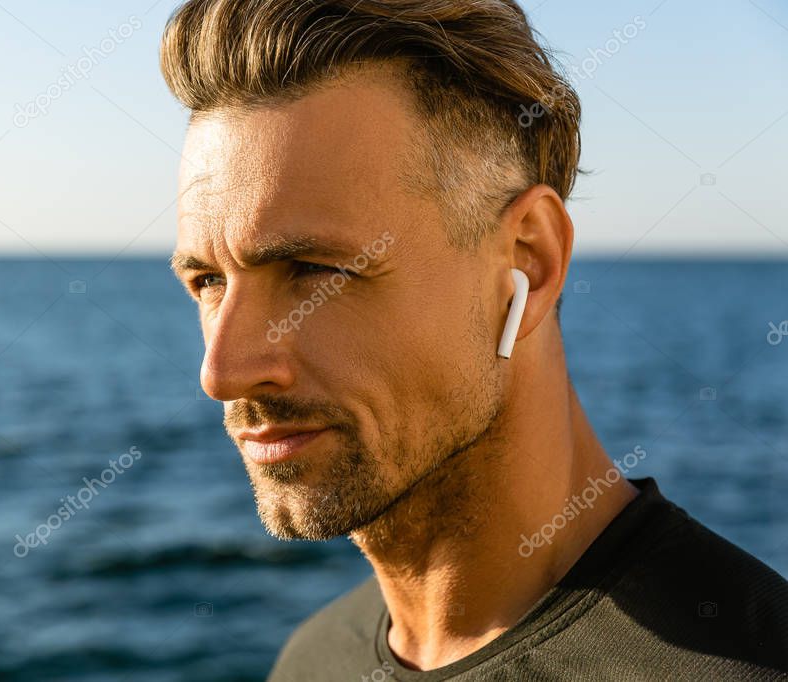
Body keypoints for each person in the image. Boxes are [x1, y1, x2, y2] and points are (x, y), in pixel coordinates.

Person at [161, 1, 788, 678]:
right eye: (207, 281)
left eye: (314, 271)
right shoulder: (312, 659)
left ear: (528, 261)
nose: (221, 372)